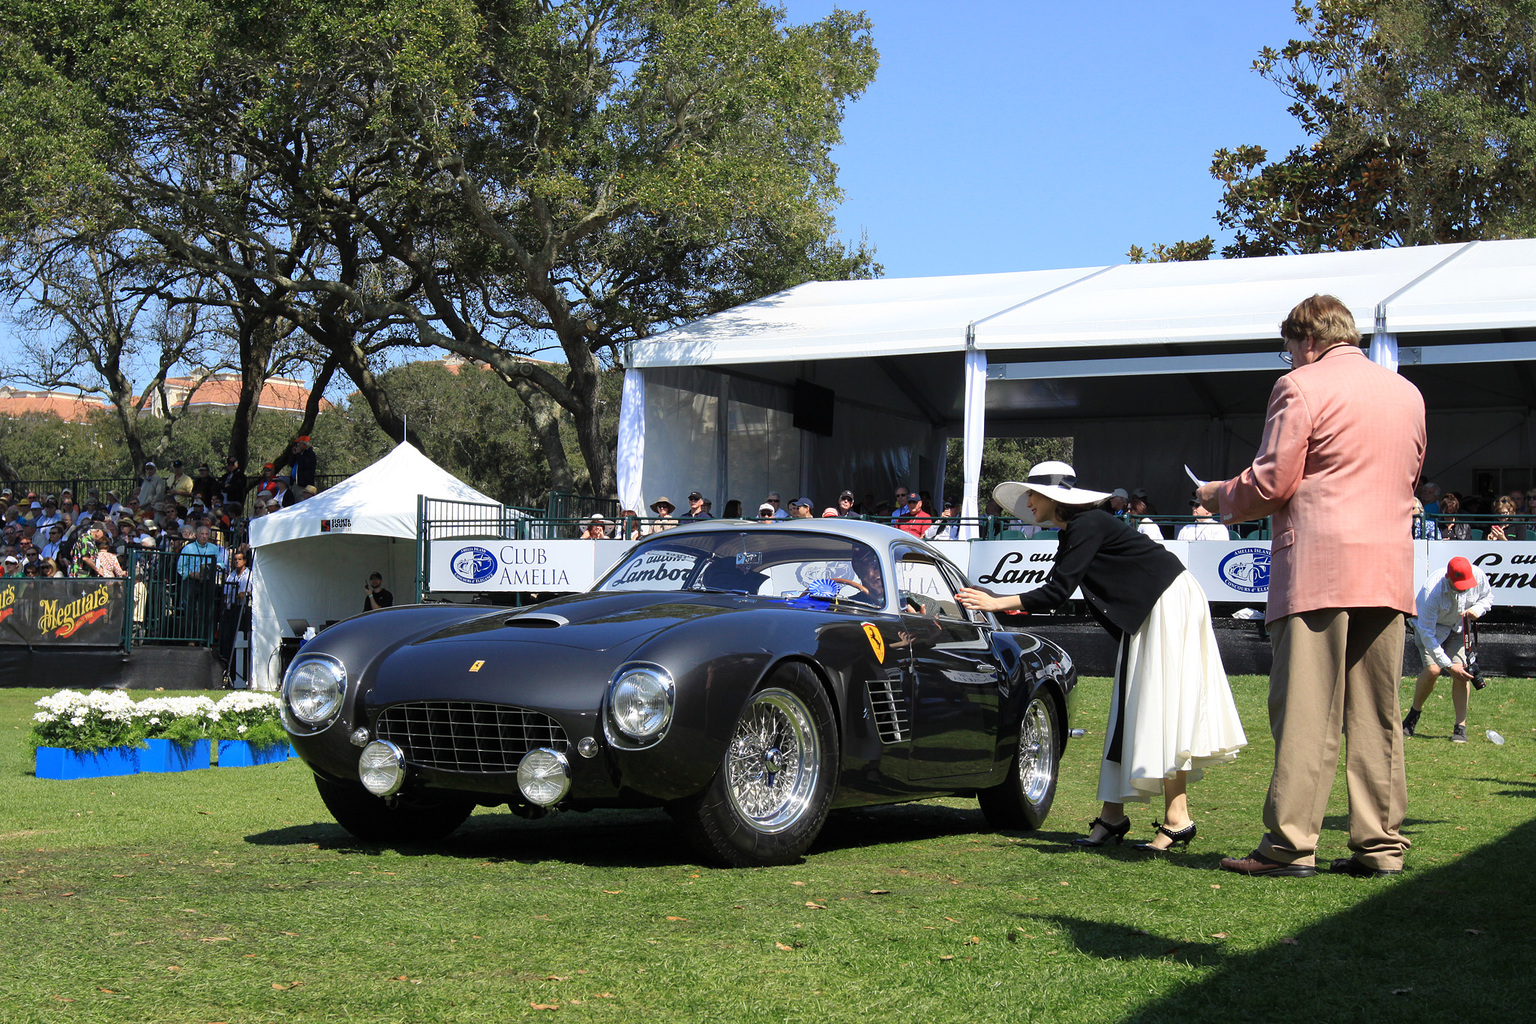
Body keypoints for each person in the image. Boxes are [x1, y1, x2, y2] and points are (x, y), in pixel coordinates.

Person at [1198, 294, 1426, 879]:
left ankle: (1290, 845)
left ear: (1305, 340)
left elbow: (1273, 483)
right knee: (1378, 714)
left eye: (1289, 347)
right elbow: (1408, 475)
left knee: (1306, 713)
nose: (1290, 357)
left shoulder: (1297, 386)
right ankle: (1379, 846)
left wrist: (1220, 495)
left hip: (1319, 570)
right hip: (1387, 572)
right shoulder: (1407, 394)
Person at [958, 462, 1247, 852]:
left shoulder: (1087, 525)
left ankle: (1176, 818)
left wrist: (996, 601)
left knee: (1157, 708)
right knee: (1133, 710)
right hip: (1154, 608)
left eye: (1032, 493)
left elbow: (1057, 592)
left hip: (1165, 603)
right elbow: (1060, 588)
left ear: (1052, 497)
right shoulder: (1080, 529)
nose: (1027, 500)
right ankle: (1114, 817)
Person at [1403, 557, 1493, 744]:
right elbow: (1427, 635)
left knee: (1462, 673)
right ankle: (1414, 714)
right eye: (1459, 585)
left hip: (1459, 628)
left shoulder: (1478, 575)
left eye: (1466, 585)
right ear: (1448, 578)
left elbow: (1487, 597)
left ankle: (1460, 727)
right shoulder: (1431, 593)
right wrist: (1448, 665)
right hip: (1432, 629)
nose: (1464, 589)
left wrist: (1478, 608)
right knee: (1433, 670)